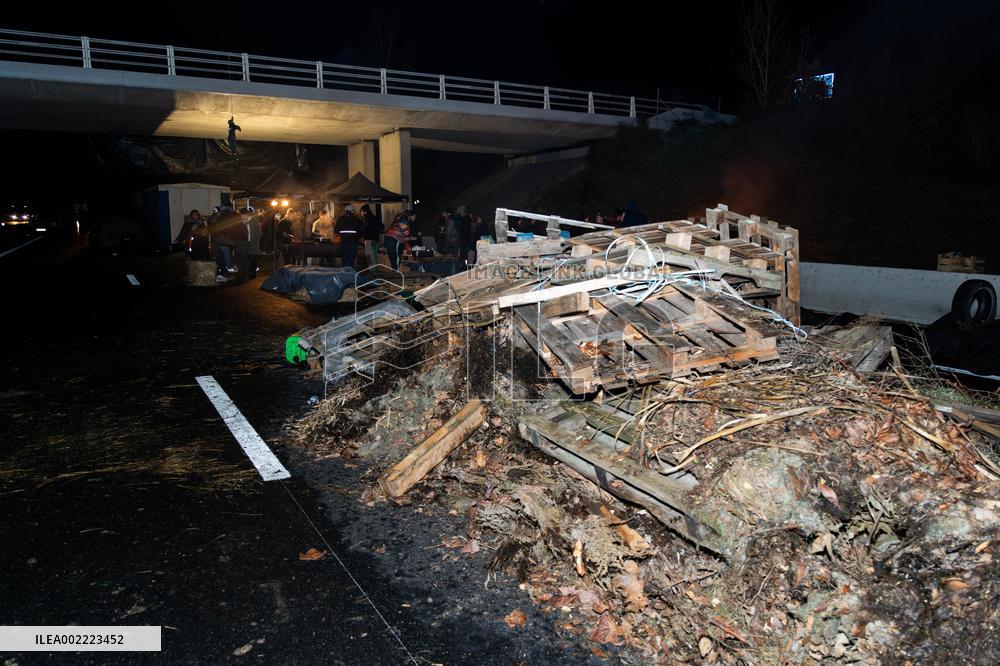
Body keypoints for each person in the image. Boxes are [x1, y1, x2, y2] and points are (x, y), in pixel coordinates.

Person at [335, 204, 364, 268]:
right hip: (353, 242)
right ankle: (351, 273)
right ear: (352, 211)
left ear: (346, 211)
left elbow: (336, 230)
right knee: (352, 259)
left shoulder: (341, 219)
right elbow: (361, 231)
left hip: (344, 242)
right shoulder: (356, 219)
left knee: (344, 259)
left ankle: (344, 273)